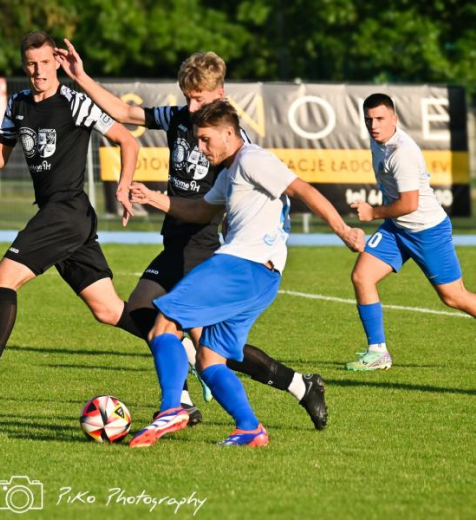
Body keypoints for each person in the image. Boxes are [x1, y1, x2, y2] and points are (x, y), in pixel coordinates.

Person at [55, 39, 329, 429]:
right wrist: (80, 76)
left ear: (221, 94)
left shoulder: (234, 142)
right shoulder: (178, 117)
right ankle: (298, 385)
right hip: (177, 239)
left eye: (199, 99)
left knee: (200, 343)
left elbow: (256, 196)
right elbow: (125, 111)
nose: (193, 107)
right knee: (161, 322)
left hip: (205, 245)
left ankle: (184, 401)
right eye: (188, 98)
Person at [128, 100, 364, 447]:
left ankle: (171, 409)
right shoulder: (230, 171)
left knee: (164, 322)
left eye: (206, 139)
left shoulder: (253, 159)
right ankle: (250, 427)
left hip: (240, 265)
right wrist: (153, 197)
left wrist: (344, 231)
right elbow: (199, 210)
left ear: (229, 133)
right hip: (264, 278)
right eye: (197, 139)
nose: (200, 147)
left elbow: (303, 190)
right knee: (210, 358)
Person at [0, 31, 143, 400]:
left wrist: (123, 187)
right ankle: (185, 350)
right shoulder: (18, 103)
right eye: (31, 63)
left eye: (45, 62)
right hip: (59, 216)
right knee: (109, 310)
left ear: (58, 62)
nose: (38, 70)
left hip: (67, 211)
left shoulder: (75, 102)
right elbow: (0, 159)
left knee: (1, 278)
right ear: (23, 65)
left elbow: (129, 140)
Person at [347, 93, 476, 371]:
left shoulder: (402, 152)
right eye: (369, 119)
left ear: (395, 118)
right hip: (398, 228)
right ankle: (377, 352)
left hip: (427, 230)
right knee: (362, 276)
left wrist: (372, 213)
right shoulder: (377, 140)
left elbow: (409, 204)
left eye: (380, 118)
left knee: (454, 297)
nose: (374, 125)